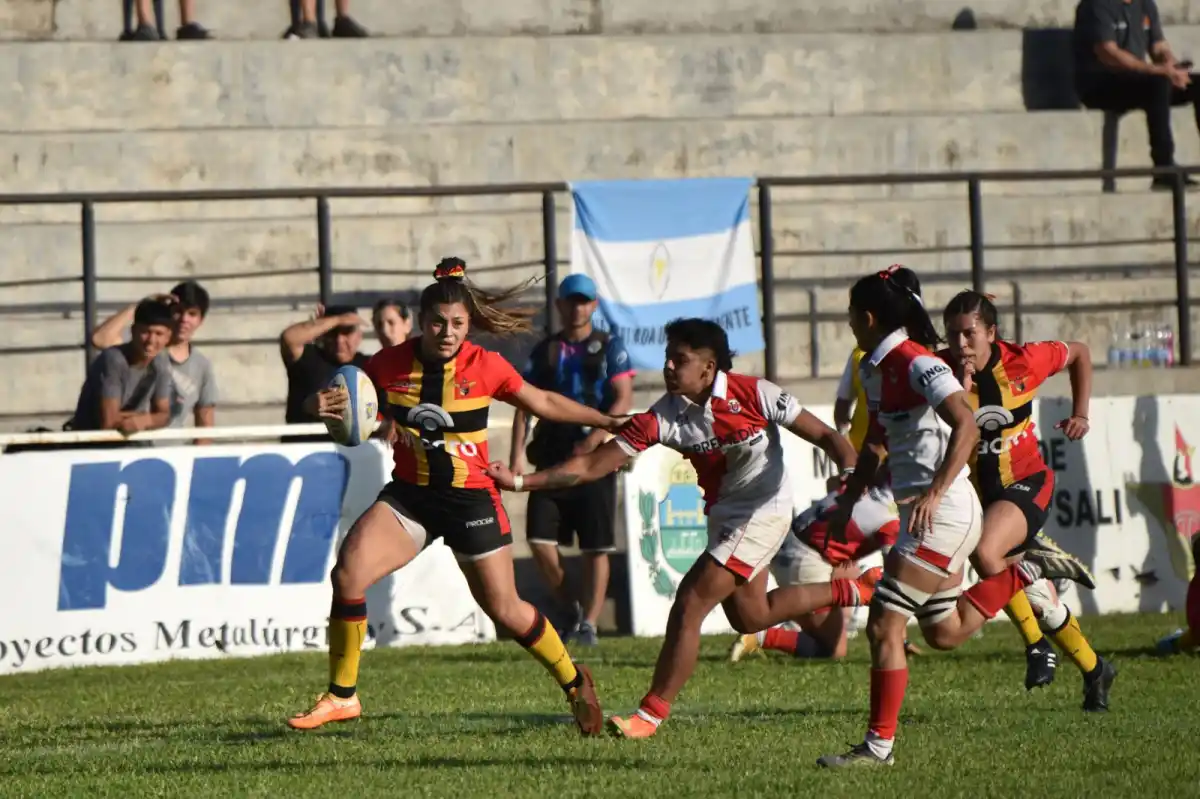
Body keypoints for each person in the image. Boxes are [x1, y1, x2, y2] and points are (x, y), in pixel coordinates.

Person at [488, 318, 876, 739]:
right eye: (668, 357)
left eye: (680, 359)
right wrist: (524, 482)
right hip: (727, 514)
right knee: (751, 615)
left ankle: (649, 715)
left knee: (690, 604)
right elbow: (590, 466)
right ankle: (857, 590)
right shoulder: (664, 417)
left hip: (766, 509)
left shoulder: (756, 393)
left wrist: (851, 475)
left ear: (709, 369)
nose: (669, 367)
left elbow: (825, 436)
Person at [287, 257, 625, 736]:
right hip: (412, 497)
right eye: (439, 323)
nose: (448, 333)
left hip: (472, 500)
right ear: (421, 322)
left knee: (506, 612)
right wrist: (317, 405)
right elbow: (331, 401)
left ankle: (574, 682)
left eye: (459, 324)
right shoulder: (386, 365)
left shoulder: (485, 365)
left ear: (470, 325)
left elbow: (543, 401)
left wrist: (607, 421)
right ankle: (342, 696)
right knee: (348, 574)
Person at [816, 266, 1074, 769]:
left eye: (850, 313)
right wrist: (848, 499)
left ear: (867, 317)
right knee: (945, 632)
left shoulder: (915, 361)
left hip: (944, 512)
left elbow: (966, 423)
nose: (848, 322)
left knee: (885, 626)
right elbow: (874, 442)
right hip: (928, 511)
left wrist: (935, 490)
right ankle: (1026, 570)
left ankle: (877, 749)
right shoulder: (874, 364)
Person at [941, 290, 1114, 708]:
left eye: (970, 335)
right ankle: (1095, 668)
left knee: (986, 554)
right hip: (980, 498)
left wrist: (1081, 414)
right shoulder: (941, 371)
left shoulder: (1024, 360)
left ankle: (1036, 647)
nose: (962, 345)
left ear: (991, 333)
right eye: (953, 336)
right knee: (1034, 597)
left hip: (1027, 483)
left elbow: (1080, 353)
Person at [510, 274, 635, 646]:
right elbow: (523, 403)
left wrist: (596, 438)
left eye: (585, 301)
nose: (578, 308)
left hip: (595, 458)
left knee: (597, 545)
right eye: (572, 301)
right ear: (561, 306)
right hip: (552, 453)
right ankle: (572, 610)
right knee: (539, 538)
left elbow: (622, 398)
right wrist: (516, 454)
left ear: (594, 305)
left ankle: (590, 624)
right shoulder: (546, 350)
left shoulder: (609, 346)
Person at [730, 474, 897, 663]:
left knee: (828, 630)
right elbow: (897, 577)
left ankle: (776, 630)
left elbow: (833, 482)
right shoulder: (893, 518)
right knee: (833, 649)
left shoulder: (873, 485)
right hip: (807, 559)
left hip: (792, 545)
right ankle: (761, 635)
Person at [1073, 0, 1200, 190]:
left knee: (1196, 83)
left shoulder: (1145, 4)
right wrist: (1155, 71)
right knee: (1157, 84)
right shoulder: (1095, 5)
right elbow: (1108, 53)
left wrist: (1171, 66)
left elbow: (1158, 45)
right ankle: (1163, 168)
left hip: (1138, 80)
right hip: (1101, 84)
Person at [92, 281, 218, 446]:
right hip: (130, 447)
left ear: (201, 320)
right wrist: (143, 305)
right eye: (178, 311)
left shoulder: (202, 366)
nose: (184, 319)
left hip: (170, 456)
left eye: (192, 314)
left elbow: (205, 427)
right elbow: (100, 338)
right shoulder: (143, 347)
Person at [67, 298, 174, 438]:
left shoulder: (160, 362)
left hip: (131, 443)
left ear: (168, 337)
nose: (151, 340)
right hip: (92, 445)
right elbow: (109, 423)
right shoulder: (113, 360)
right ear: (133, 331)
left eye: (158, 334)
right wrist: (146, 417)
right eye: (146, 332)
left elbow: (165, 415)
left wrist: (144, 419)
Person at [279, 303, 370, 443]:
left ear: (359, 335)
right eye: (333, 332)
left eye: (347, 332)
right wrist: (338, 320)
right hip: (306, 453)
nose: (339, 340)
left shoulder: (369, 365)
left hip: (354, 456)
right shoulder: (308, 357)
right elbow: (289, 338)